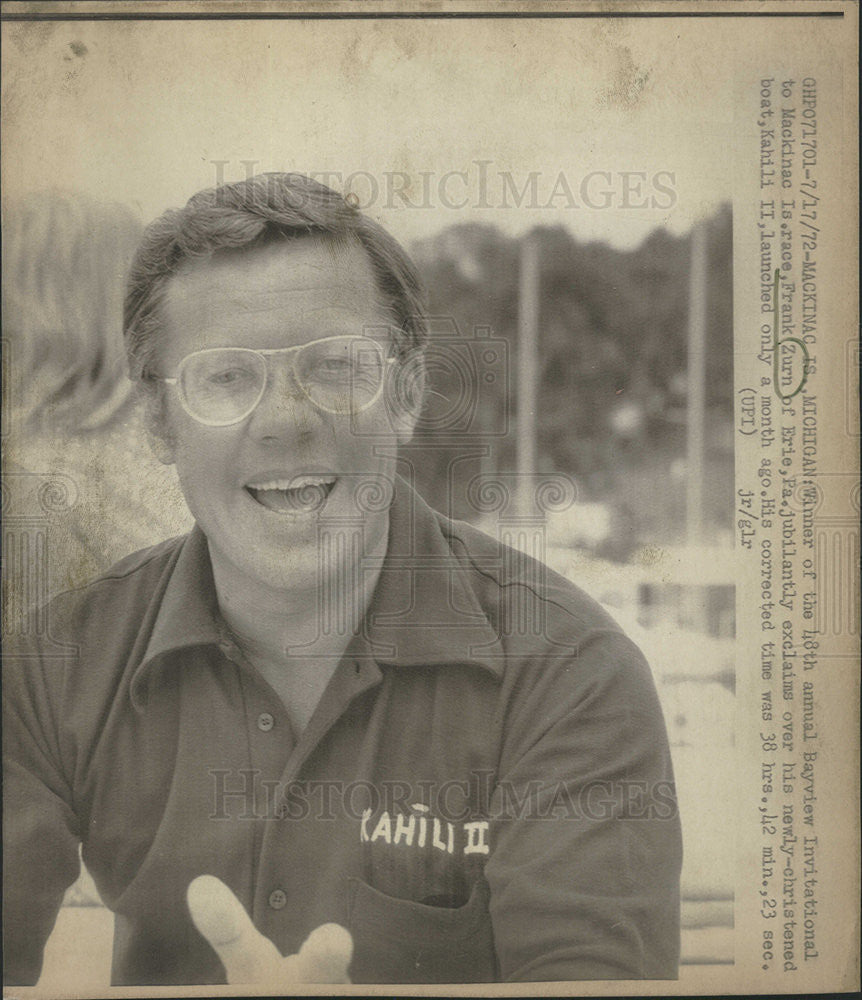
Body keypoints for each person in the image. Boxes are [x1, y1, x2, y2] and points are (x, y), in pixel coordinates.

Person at [3, 172, 682, 986]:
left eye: (335, 368)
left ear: (407, 392)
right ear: (158, 421)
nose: (286, 421)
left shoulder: (571, 676)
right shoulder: (50, 669)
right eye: (226, 376)